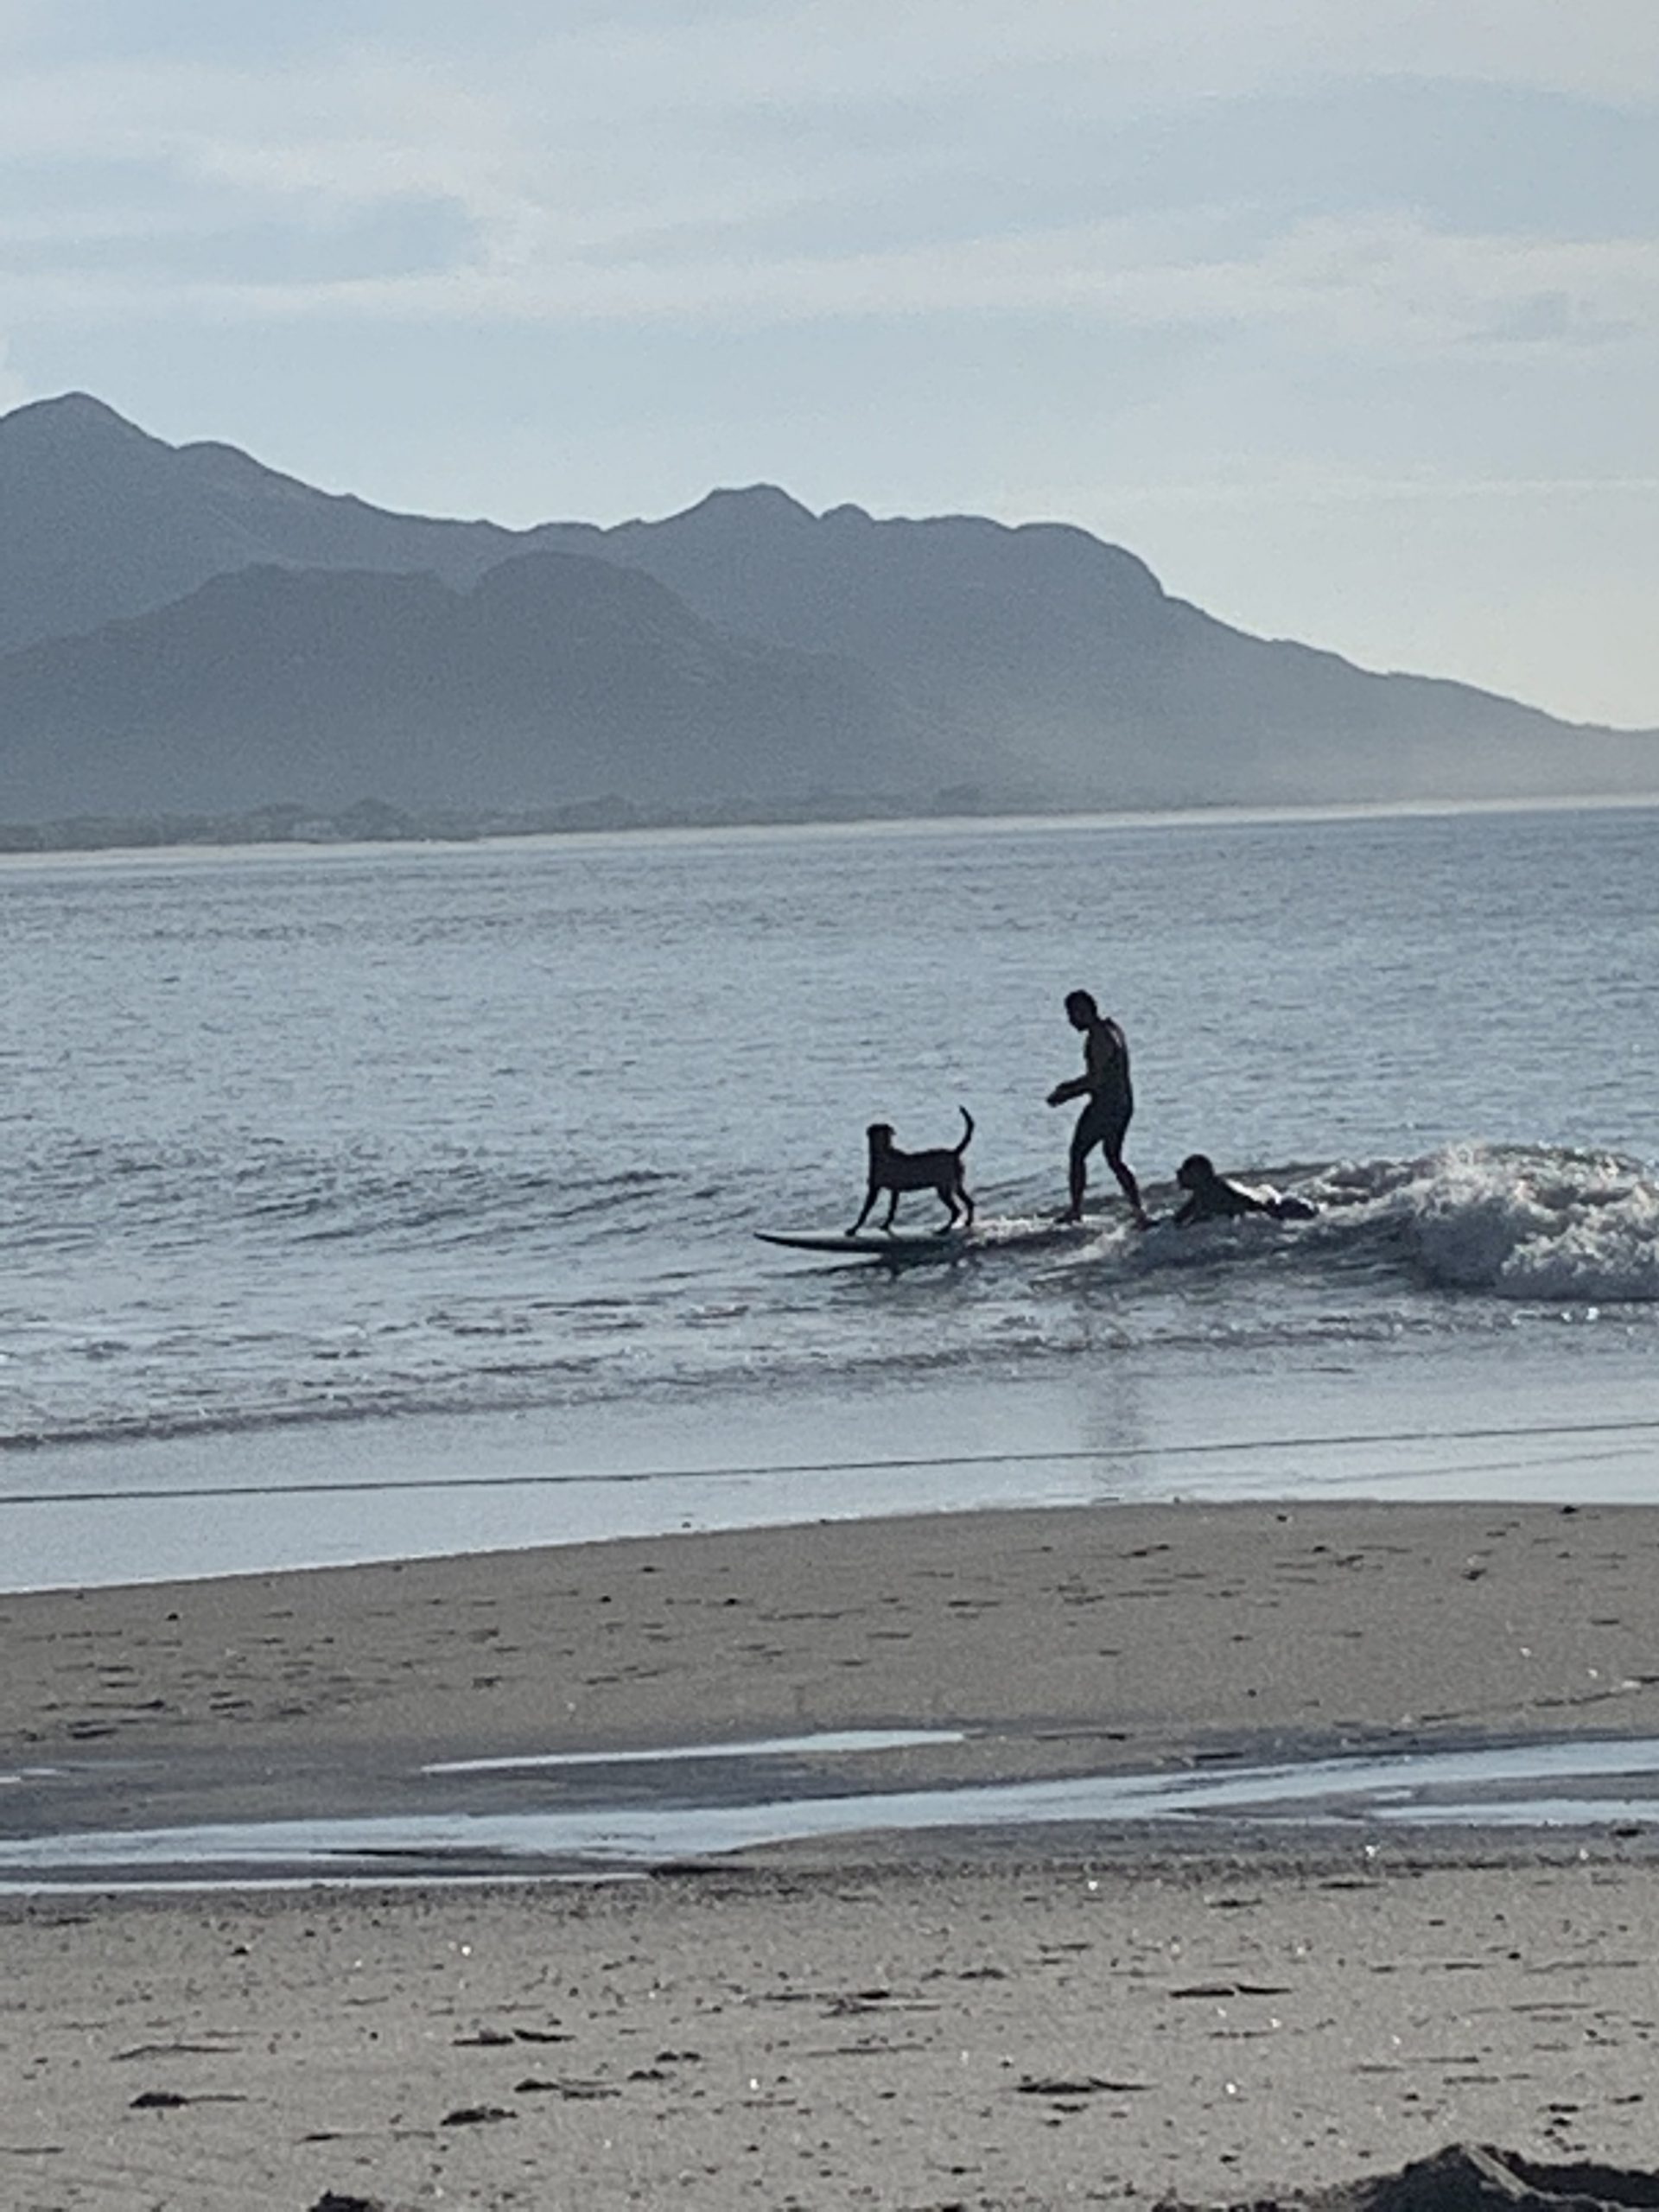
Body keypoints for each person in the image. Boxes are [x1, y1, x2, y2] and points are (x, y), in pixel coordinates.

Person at [1046, 988, 1149, 1227]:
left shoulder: (1099, 1038)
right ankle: (1138, 1211)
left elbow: (1096, 1080)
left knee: (1077, 1154)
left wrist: (1065, 1092)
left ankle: (1075, 1210)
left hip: (1107, 1106)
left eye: (1073, 1014)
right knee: (1114, 1158)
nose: (1070, 1021)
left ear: (1084, 1011)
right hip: (1123, 1103)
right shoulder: (1112, 1028)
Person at [1173, 1152, 1316, 1226]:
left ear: (1197, 1174)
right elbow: (1178, 1221)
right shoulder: (1201, 1195)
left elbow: (1249, 1202)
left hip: (1275, 1204)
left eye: (1183, 1171)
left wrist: (1269, 1214)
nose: (1178, 1175)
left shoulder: (1217, 1188)